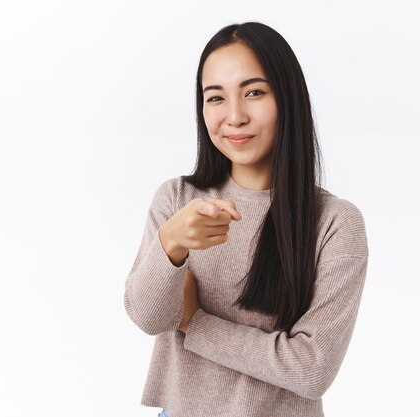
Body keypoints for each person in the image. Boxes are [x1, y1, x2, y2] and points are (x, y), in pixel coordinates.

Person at [124, 21, 369, 417]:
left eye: (254, 92)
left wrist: (195, 323)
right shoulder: (178, 200)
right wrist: (170, 245)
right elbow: (149, 319)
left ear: (286, 99)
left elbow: (311, 368)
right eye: (215, 98)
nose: (234, 116)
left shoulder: (335, 222)